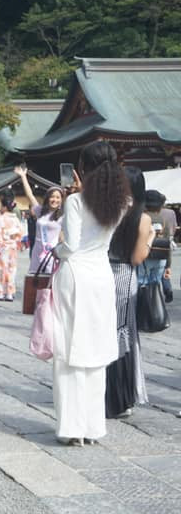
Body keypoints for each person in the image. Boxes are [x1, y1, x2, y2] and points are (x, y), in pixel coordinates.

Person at [52, 141, 129, 446]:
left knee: (70, 351)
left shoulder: (75, 202)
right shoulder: (121, 203)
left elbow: (70, 246)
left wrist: (55, 250)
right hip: (101, 275)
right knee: (95, 353)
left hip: (75, 274)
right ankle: (93, 428)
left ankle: (71, 428)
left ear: (85, 168)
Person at [105, 166, 151, 419]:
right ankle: (122, 395)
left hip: (103, 273)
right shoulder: (141, 218)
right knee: (123, 333)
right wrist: (151, 240)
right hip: (124, 276)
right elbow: (136, 258)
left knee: (104, 331)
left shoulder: (109, 211)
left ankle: (103, 391)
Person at [16, 165, 64, 274]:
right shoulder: (40, 211)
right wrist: (23, 176)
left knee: (48, 285)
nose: (54, 200)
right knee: (36, 283)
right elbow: (30, 195)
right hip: (37, 251)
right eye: (52, 196)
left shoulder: (63, 217)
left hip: (51, 254)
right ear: (47, 198)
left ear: (61, 200)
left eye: (57, 197)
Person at [0, 190, 23, 301]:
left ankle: (0, 293)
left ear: (4, 207)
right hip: (12, 247)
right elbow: (20, 234)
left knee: (0, 270)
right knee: (11, 270)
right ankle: (9, 293)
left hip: (2, 248)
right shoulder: (16, 220)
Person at [139, 189, 172, 286]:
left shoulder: (141, 218)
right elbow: (168, 244)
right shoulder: (164, 220)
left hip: (144, 257)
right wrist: (168, 266)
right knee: (156, 285)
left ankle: (144, 301)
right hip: (161, 258)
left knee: (141, 283)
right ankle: (155, 300)